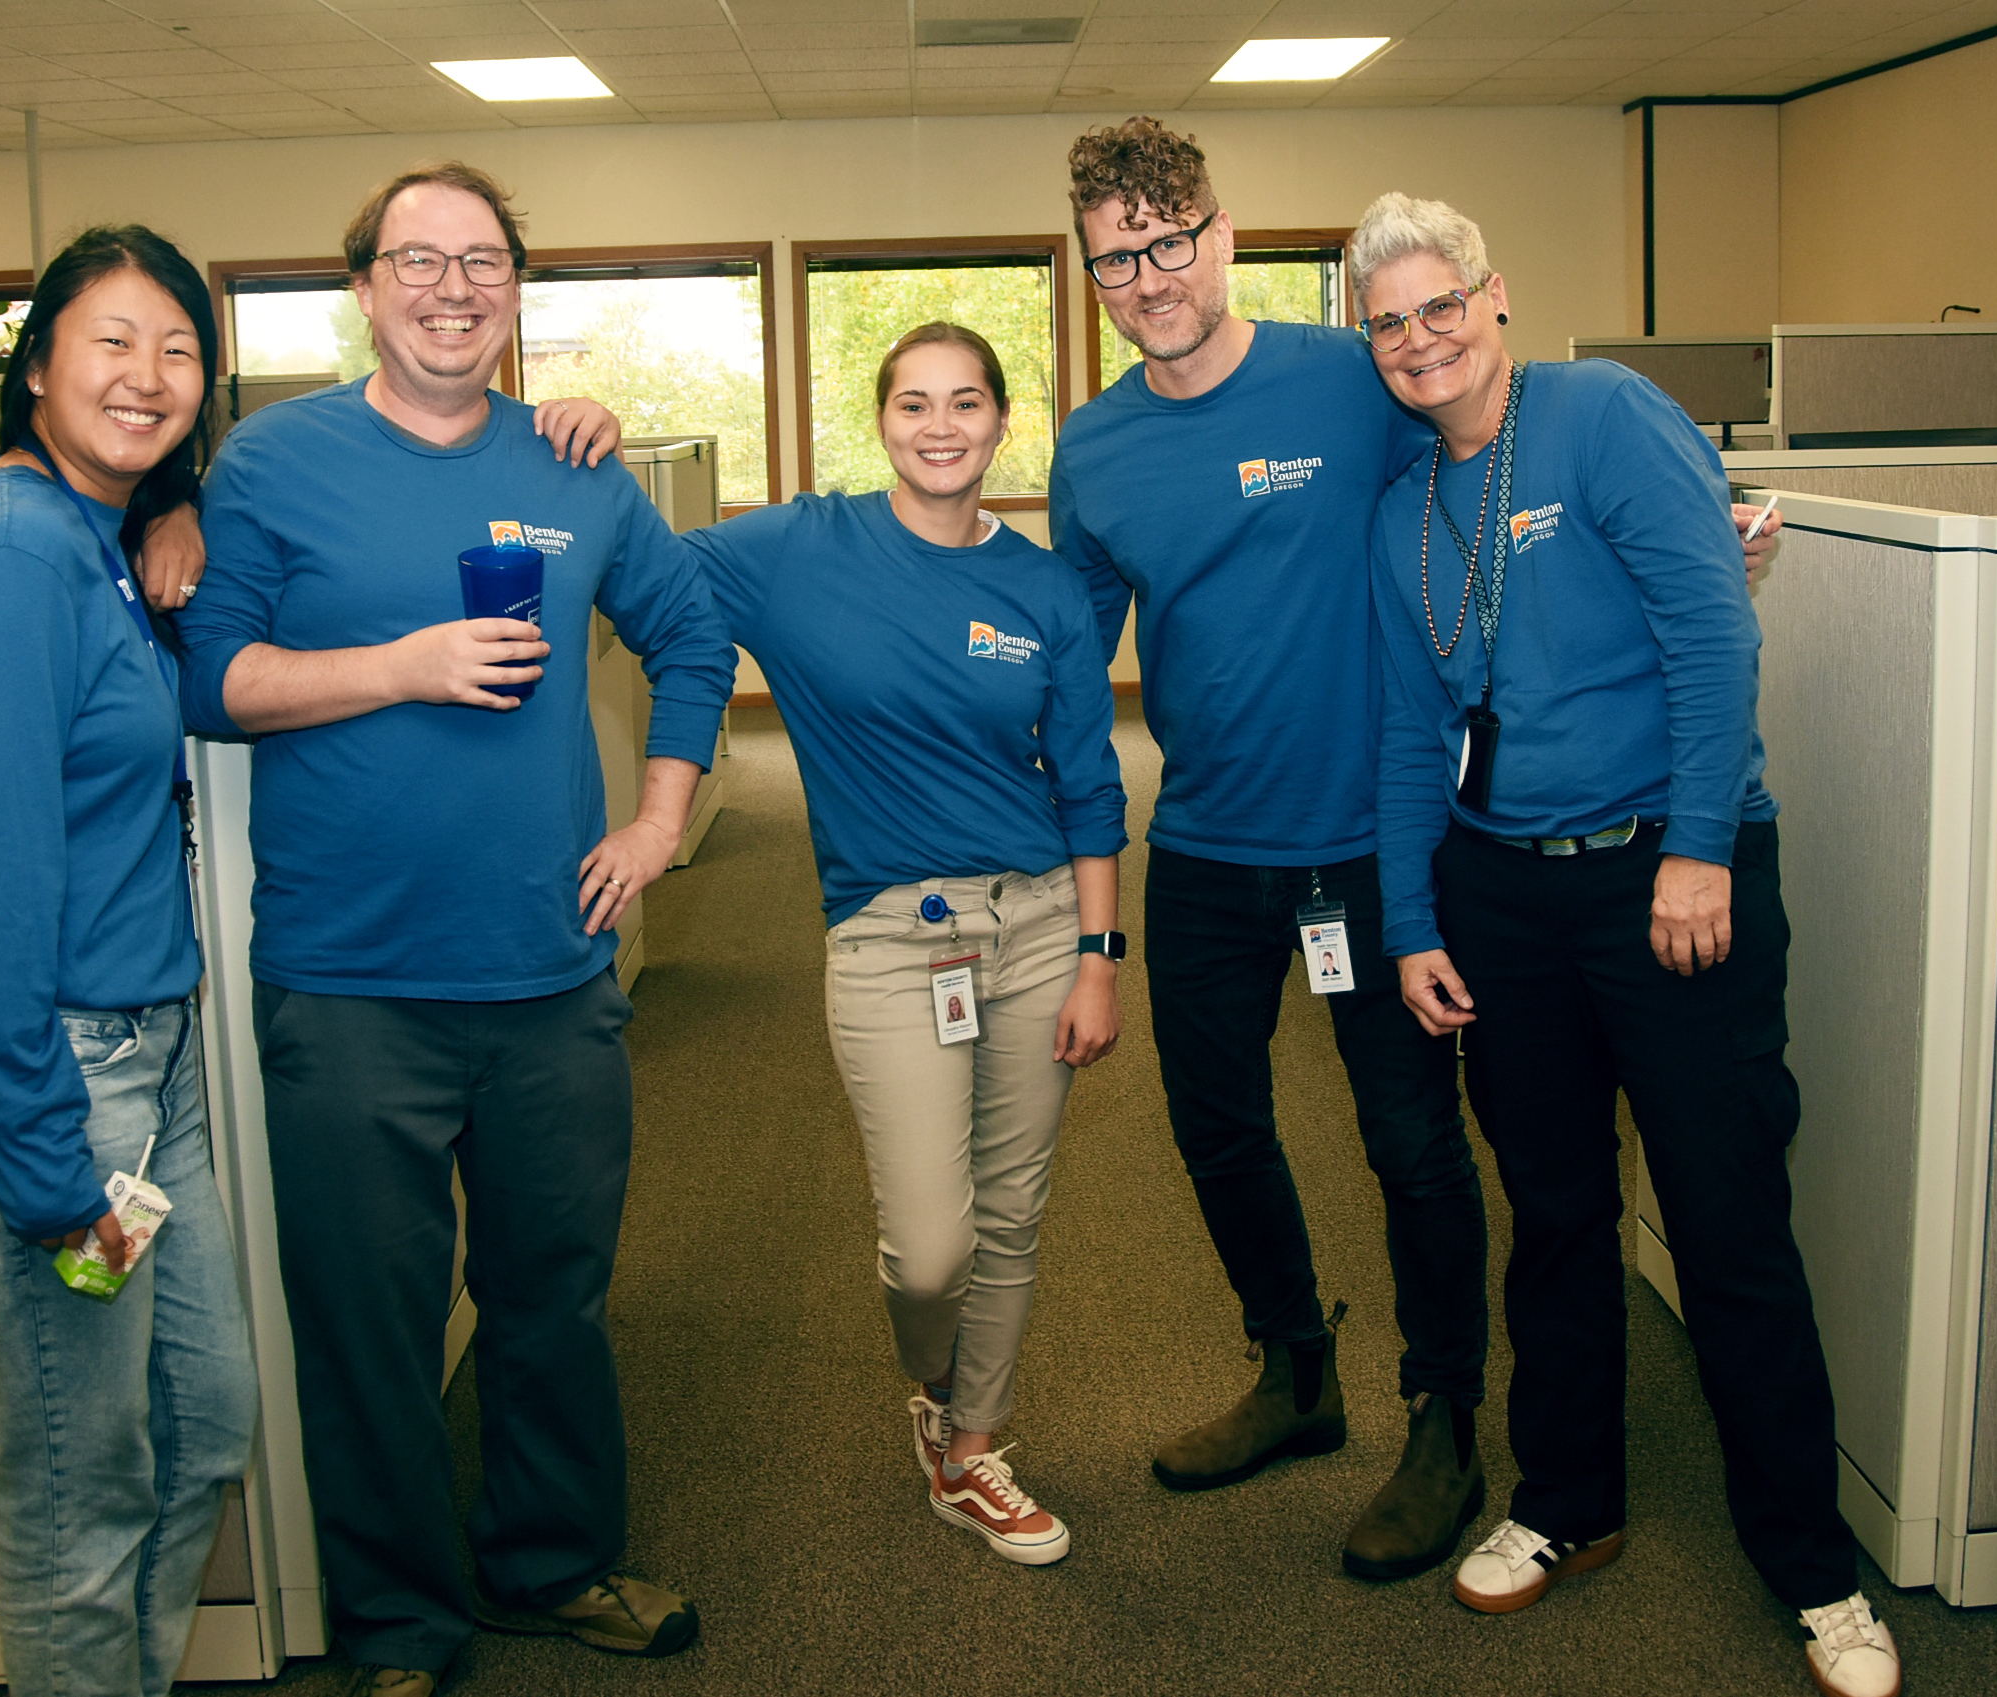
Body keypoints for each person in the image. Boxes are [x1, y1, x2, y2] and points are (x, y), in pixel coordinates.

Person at [1049, 115, 1783, 1583]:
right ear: (1091, 270)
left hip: (1380, 849)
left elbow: (1495, 442)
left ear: (1225, 233)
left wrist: (1703, 523)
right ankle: (1294, 1369)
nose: (1149, 274)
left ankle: (1444, 1415)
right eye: (1116, 254)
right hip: (1203, 843)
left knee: (1413, 1146)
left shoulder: (1356, 373)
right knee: (1216, 1128)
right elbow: (1074, 652)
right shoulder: (1095, 444)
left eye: (1170, 237)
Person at [178, 162, 731, 1694]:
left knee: (552, 1299)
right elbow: (209, 681)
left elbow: (692, 634)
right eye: (415, 261)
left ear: (513, 287)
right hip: (349, 985)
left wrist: (659, 823)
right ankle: (401, 1623)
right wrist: (401, 664)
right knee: (371, 1325)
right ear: (364, 285)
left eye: (480, 261)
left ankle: (551, 1562)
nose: (449, 288)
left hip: (551, 976)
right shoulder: (274, 462)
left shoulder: (574, 464)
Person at [1358, 191, 1899, 1697]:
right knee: (1557, 1215)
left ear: (1495, 296)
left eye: (1438, 304)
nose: (1419, 339)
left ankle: (1816, 1574)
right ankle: (1566, 1504)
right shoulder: (1404, 507)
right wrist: (1411, 926)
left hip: (1673, 877)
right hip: (1502, 903)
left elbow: (1713, 631)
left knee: (1727, 1226)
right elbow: (1413, 735)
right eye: (1388, 322)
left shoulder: (1601, 415)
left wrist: (1702, 845)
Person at [545, 321, 1125, 1563]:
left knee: (1011, 1211)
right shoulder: (799, 547)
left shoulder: (1043, 589)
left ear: (1001, 423)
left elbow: (1088, 785)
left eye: (965, 402)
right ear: (882, 422)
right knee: (930, 1249)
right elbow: (634, 568)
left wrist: (1098, 954)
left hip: (1033, 929)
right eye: (911, 402)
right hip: (887, 937)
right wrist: (581, 447)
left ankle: (972, 1449)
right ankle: (937, 1392)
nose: (938, 425)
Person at [0, 225, 257, 1697]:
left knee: (200, 1424)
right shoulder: (15, 557)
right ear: (35, 367)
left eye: (178, 352)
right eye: (112, 342)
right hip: (49, 1098)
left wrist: (185, 502)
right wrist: (44, 1179)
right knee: (79, 1498)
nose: (149, 376)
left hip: (148, 1083)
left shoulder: (84, 530)